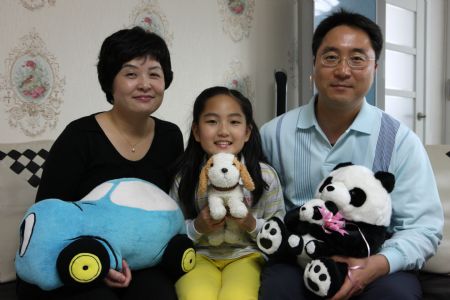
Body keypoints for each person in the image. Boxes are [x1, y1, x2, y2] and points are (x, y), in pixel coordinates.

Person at [258, 9, 443, 300]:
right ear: (314, 64)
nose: (343, 70)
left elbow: (424, 227)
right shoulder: (273, 134)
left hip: (375, 260)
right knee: (275, 290)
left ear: (375, 68)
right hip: (300, 258)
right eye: (331, 57)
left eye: (357, 59)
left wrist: (375, 266)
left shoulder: (399, 140)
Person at [16, 26, 183, 300]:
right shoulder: (80, 137)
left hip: (137, 260)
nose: (145, 84)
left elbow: (167, 208)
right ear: (110, 82)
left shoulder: (171, 137)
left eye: (154, 73)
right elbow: (48, 218)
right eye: (131, 74)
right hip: (74, 259)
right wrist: (99, 265)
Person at [170, 86, 285, 300]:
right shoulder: (184, 178)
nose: (223, 131)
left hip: (246, 256)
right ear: (196, 131)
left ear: (247, 132)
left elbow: (278, 230)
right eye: (212, 121)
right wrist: (197, 227)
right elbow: (171, 231)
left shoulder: (265, 176)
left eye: (234, 122)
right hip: (199, 256)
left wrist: (250, 224)